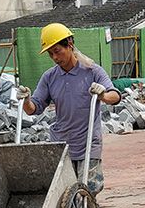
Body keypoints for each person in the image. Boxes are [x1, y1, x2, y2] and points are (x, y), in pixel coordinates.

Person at [18, 23, 121, 194]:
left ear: (70, 44)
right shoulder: (50, 77)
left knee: (87, 191)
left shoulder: (92, 71)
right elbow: (33, 109)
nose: (55, 57)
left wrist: (103, 95)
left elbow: (115, 96)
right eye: (51, 54)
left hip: (88, 143)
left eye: (57, 51)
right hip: (61, 144)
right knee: (63, 195)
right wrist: (26, 100)